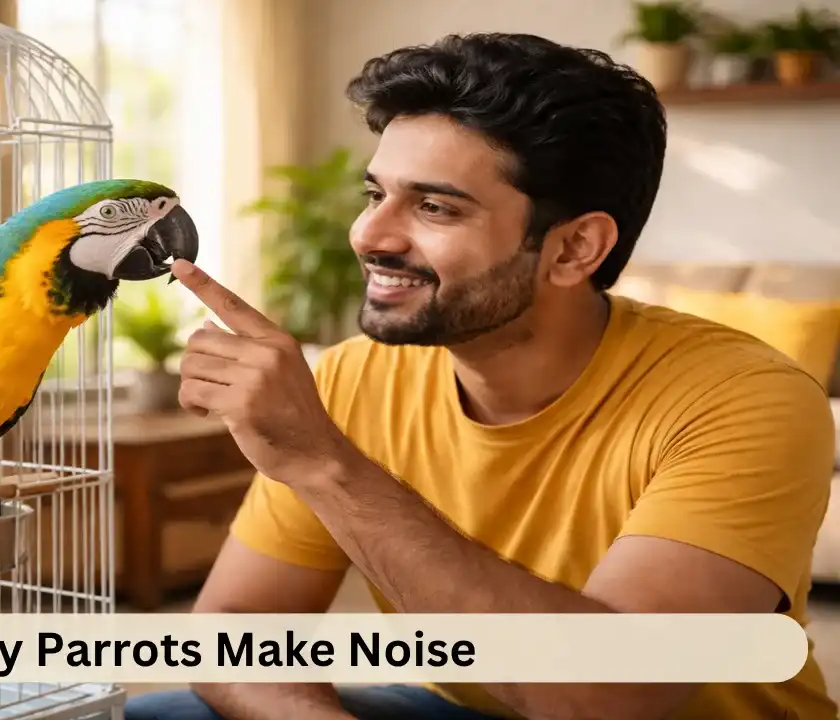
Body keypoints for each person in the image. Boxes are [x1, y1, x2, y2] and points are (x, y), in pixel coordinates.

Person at [122, 32, 838, 720]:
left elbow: (612, 697)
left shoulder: (745, 400)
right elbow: (235, 629)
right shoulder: (354, 379)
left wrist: (325, 463)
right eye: (376, 194)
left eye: (434, 206)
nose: (370, 235)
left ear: (573, 248)